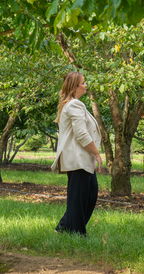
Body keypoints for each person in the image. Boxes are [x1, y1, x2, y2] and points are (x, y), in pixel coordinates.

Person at [51, 72, 102, 236]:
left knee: (89, 194)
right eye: (83, 83)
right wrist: (97, 153)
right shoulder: (74, 105)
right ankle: (77, 233)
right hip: (78, 159)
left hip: (80, 160)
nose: (86, 85)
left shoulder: (75, 104)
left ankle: (64, 228)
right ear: (74, 87)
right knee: (80, 198)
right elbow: (81, 133)